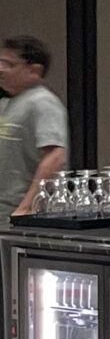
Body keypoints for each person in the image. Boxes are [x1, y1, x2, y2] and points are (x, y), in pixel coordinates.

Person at [0, 33, 70, 219]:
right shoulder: (8, 104)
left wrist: (27, 207)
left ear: (34, 71)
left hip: (20, 213)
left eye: (10, 65)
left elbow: (55, 156)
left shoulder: (42, 102)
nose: (2, 70)